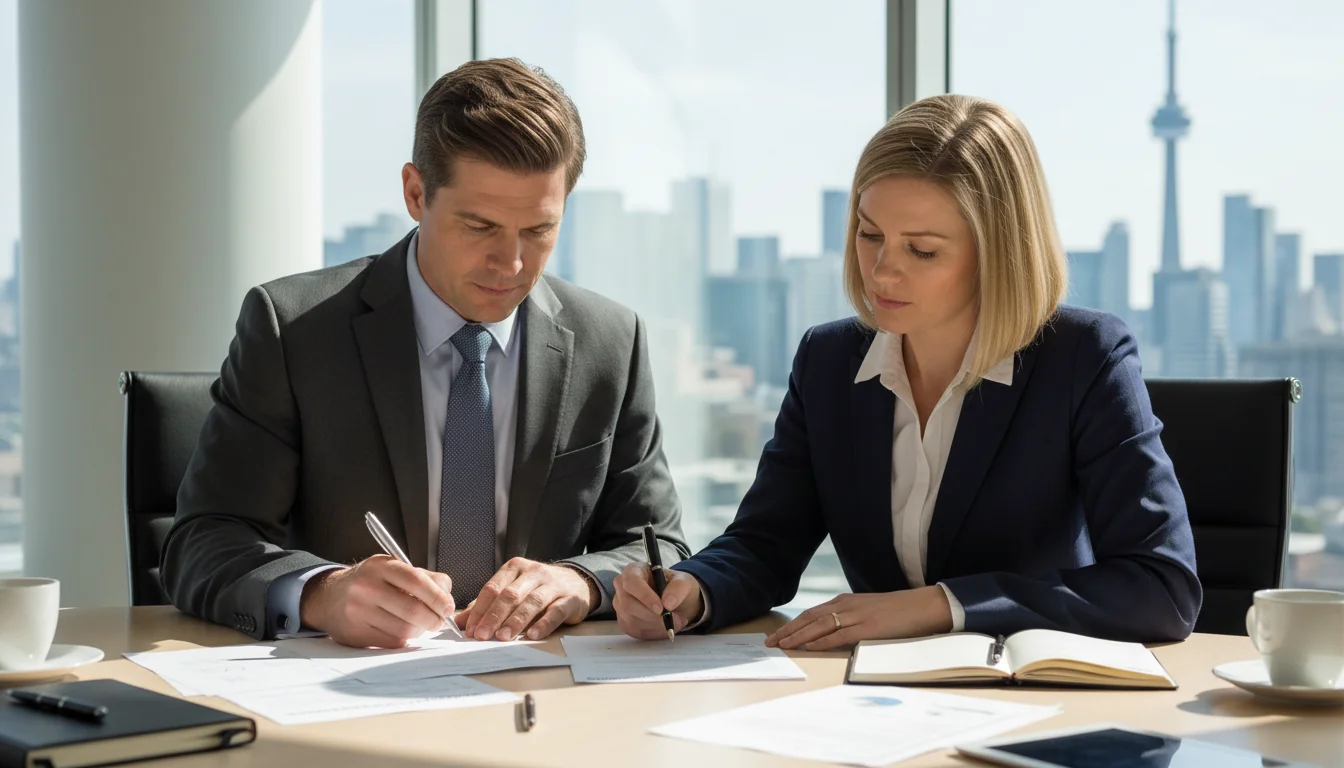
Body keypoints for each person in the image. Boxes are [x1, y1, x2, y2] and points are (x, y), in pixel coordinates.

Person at [613, 94, 1201, 649]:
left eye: (921, 250)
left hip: (1033, 709)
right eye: (870, 236)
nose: (882, 272)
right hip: (878, 705)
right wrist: (694, 591)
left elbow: (1161, 588)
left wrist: (939, 605)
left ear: (998, 253)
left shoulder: (1084, 357)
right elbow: (766, 542)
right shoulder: (828, 361)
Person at [161, 58, 688, 648]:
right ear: (415, 193)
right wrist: (322, 593)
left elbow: (661, 547)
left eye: (538, 230)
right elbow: (201, 542)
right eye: (480, 226)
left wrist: (581, 581)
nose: (511, 264)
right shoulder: (295, 330)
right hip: (344, 699)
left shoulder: (611, 342)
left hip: (543, 693)